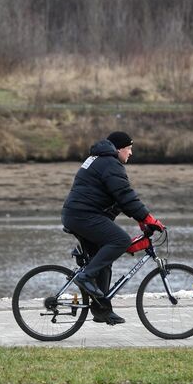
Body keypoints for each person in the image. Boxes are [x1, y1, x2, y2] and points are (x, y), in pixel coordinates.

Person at [61, 131, 165, 325]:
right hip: (83, 216)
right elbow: (125, 195)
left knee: (104, 259)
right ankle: (85, 277)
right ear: (119, 149)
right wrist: (148, 218)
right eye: (129, 149)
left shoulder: (100, 160)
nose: (131, 154)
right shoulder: (110, 163)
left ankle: (102, 310)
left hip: (78, 215)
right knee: (120, 240)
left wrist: (141, 220)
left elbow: (118, 201)